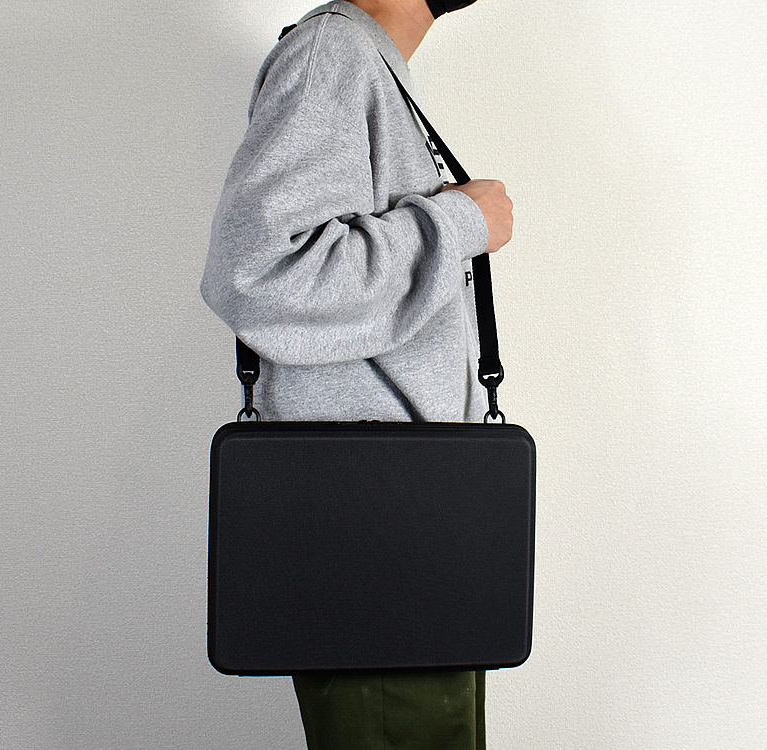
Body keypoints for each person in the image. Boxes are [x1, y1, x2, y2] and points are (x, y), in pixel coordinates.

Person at [201, 0, 513, 747]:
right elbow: (257, 272)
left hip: (408, 524)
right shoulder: (332, 55)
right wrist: (459, 224)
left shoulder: (365, 62)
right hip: (378, 538)